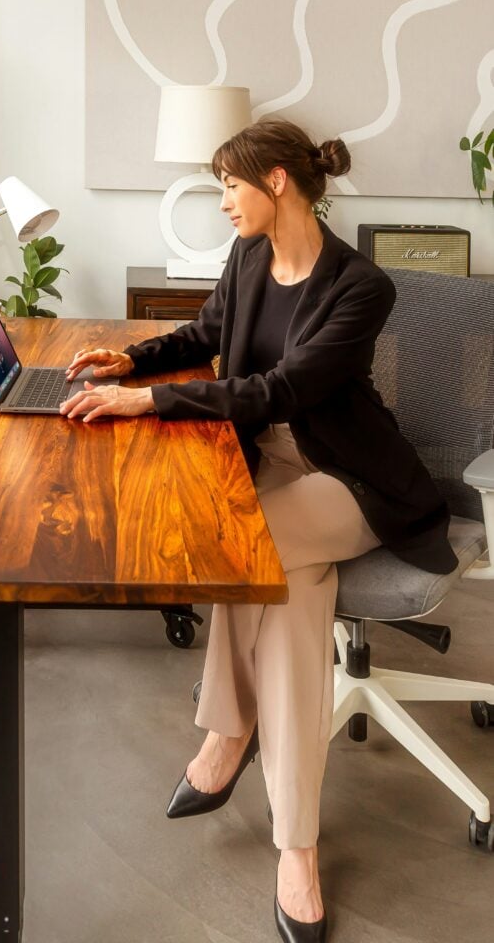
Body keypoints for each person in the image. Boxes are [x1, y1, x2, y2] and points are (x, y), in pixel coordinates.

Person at [60, 118, 457, 943]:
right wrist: (129, 363)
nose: (223, 206)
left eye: (230, 188)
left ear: (277, 182)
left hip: (345, 480)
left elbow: (280, 389)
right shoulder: (247, 256)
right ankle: (294, 844)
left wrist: (152, 402)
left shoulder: (360, 285)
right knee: (292, 589)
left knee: (244, 549)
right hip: (267, 465)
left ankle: (232, 744)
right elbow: (208, 336)